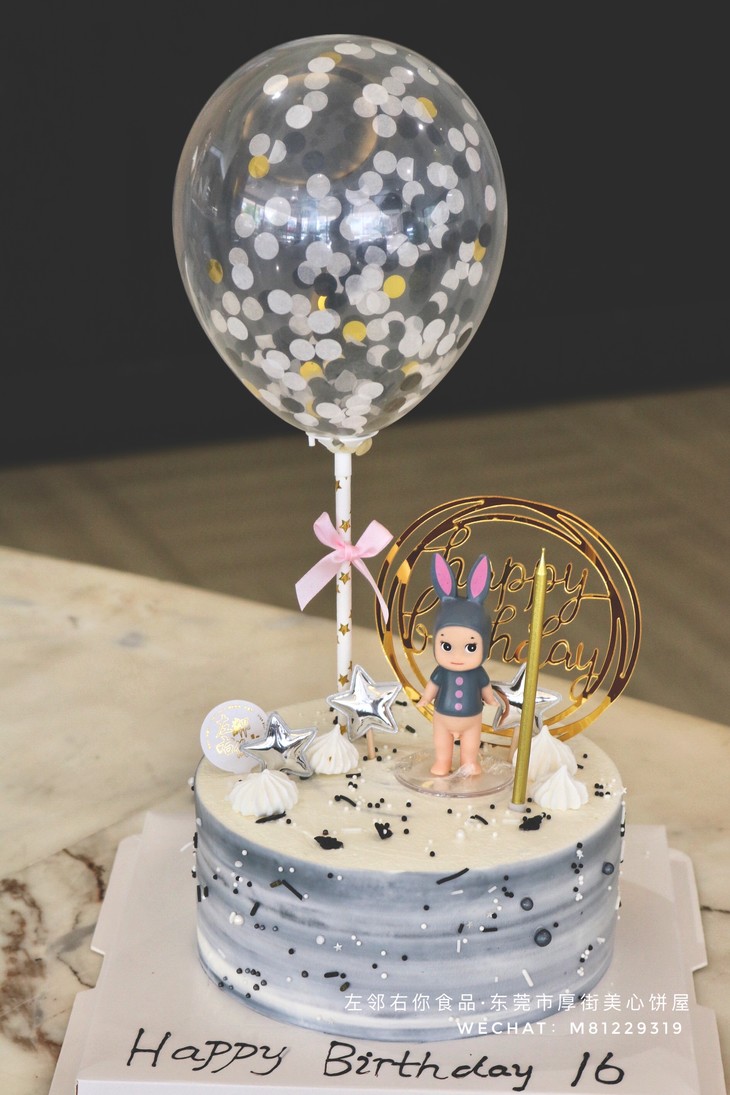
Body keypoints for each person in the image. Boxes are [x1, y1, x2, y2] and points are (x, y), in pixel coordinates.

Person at [417, 552, 502, 776]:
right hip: (443, 717)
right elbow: (433, 686)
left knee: (471, 744)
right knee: (441, 742)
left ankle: (469, 763)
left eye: (471, 647)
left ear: (485, 645)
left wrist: (491, 699)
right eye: (446, 646)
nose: (457, 656)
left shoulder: (478, 673)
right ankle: (442, 762)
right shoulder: (441, 672)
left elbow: (485, 688)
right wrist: (426, 698)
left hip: (472, 719)